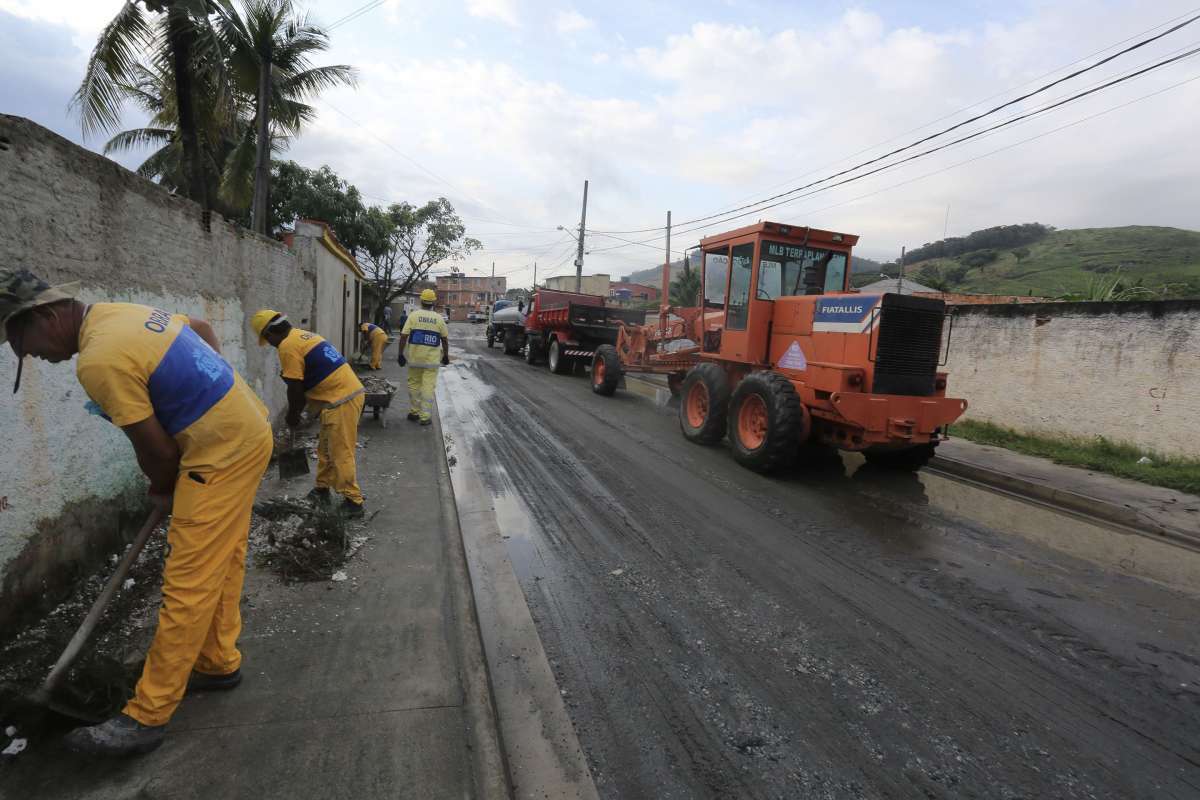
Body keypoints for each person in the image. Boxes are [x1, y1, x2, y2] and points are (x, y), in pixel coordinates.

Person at [1, 268, 273, 756]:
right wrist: (207, 388)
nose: (33, 357)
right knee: (223, 556)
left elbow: (158, 451)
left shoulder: (99, 362)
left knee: (188, 579)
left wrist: (162, 488)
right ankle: (216, 661)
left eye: (25, 344)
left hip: (220, 451)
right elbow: (201, 329)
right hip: (247, 426)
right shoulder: (117, 315)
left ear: (44, 316)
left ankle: (148, 715)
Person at [251, 310, 365, 517]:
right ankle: (322, 489)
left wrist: (293, 415)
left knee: (340, 452)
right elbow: (308, 377)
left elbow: (295, 389)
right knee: (325, 448)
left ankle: (353, 502)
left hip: (342, 399)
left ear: (271, 333)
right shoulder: (303, 335)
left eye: (268, 339)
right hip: (341, 396)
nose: (270, 344)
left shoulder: (287, 346)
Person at [397, 289, 449, 426]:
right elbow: (444, 339)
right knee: (428, 387)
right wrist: (446, 356)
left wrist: (400, 354)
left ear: (421, 301)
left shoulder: (413, 316)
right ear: (433, 302)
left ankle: (414, 412)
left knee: (414, 385)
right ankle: (425, 417)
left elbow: (403, 336)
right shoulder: (439, 318)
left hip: (414, 359)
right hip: (431, 361)